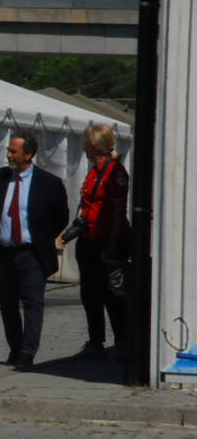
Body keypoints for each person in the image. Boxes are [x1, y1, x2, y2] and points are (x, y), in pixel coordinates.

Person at [0, 131, 69, 371]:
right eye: (8, 150)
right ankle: (15, 346)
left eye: (14, 151)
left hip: (32, 252)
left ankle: (27, 352)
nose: (8, 155)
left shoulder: (49, 183)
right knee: (6, 303)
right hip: (4, 250)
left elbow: (61, 216)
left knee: (33, 303)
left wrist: (41, 236)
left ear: (29, 154)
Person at [58, 124, 129, 361]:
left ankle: (122, 340)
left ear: (93, 145)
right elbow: (88, 208)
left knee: (113, 294)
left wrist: (113, 245)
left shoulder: (114, 172)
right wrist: (70, 233)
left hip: (107, 240)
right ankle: (95, 340)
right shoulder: (93, 171)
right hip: (88, 239)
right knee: (90, 294)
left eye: (86, 143)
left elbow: (119, 212)